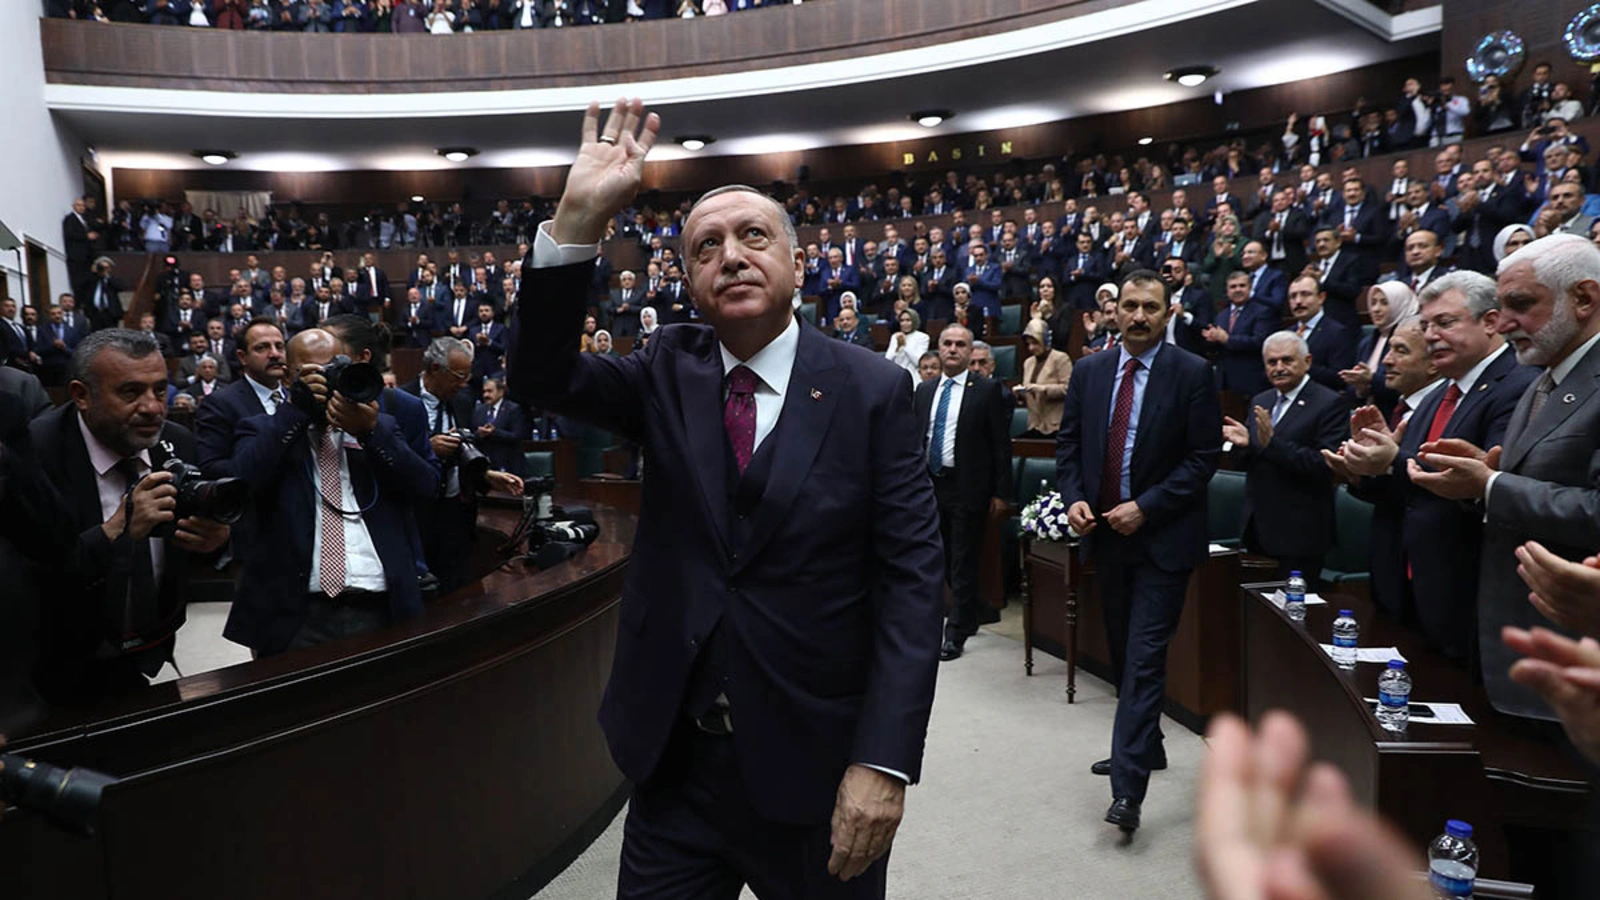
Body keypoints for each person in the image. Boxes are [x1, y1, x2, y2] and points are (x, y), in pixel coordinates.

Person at [506, 100, 943, 898]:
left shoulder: (874, 390)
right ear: (691, 283)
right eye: (707, 246)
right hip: (676, 766)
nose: (731, 257)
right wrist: (576, 219)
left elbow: (913, 583)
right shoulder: (666, 368)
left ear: (798, 264)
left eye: (753, 236)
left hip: (815, 770)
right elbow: (540, 376)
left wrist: (883, 761)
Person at [1056, 268, 1221, 834]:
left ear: (1168, 312)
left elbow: (1203, 460)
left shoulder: (1194, 373)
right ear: (1113, 310)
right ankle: (1146, 745)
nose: (1139, 316)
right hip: (1106, 534)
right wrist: (1075, 499)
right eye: (1129, 305)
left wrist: (1146, 506)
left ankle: (1128, 790)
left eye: (1151, 307)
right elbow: (1070, 446)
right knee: (1126, 650)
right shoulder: (1089, 370)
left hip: (1162, 539)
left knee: (1145, 658)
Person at [1411, 235, 1600, 720]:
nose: (1506, 322)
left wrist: (1491, 485)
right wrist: (1483, 478)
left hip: (1574, 662)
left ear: (1584, 298)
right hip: (1511, 644)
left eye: (1521, 304)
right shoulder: (1544, 377)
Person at [1328, 271, 1536, 663]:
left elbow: (1484, 482)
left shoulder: (1518, 385)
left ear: (1490, 322)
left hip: (1470, 587)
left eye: (1444, 322)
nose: (1431, 335)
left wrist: (1393, 460)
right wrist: (1370, 467)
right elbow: (1409, 485)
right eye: (1425, 325)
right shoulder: (1441, 391)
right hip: (1411, 584)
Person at [27, 329, 231, 705]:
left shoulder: (175, 440)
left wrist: (215, 541)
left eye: (159, 389)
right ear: (81, 395)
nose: (153, 407)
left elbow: (187, 550)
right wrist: (114, 532)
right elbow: (29, 581)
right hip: (51, 666)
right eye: (131, 392)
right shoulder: (35, 454)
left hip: (149, 648)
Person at [223, 328, 438, 656]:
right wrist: (296, 411)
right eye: (315, 373)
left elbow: (426, 488)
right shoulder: (264, 428)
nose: (328, 380)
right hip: (295, 614)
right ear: (289, 376)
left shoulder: (382, 427)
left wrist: (370, 432)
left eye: (336, 367)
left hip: (382, 606)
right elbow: (241, 484)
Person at [913, 325, 1012, 661]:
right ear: (938, 349)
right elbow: (917, 441)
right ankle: (968, 615)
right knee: (938, 557)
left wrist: (1002, 492)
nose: (953, 349)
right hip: (930, 485)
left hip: (967, 486)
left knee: (962, 559)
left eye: (960, 345)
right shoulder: (925, 391)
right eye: (947, 344)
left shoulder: (986, 390)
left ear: (970, 352)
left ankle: (954, 632)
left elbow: (1000, 445)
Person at [1222, 332, 1346, 583]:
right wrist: (1243, 446)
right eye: (1271, 362)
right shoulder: (1261, 399)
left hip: (1300, 534)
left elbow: (1324, 465)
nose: (1279, 368)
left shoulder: (1329, 403)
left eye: (1287, 360)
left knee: (1292, 617)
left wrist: (1271, 445)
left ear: (1307, 361)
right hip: (1258, 528)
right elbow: (1247, 462)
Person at [404, 337, 521, 594]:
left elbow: (466, 450)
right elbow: (391, 455)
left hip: (456, 512)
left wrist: (487, 475)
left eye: (467, 376)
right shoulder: (401, 400)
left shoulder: (464, 401)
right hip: (417, 514)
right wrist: (427, 449)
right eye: (458, 375)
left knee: (456, 589)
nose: (464, 383)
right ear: (435, 368)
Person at [1340, 282, 1418, 417]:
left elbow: (1409, 384)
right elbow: (1352, 391)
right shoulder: (1366, 341)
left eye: (1384, 303)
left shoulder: (1411, 339)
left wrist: (1371, 380)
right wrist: (1360, 388)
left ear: (1400, 304)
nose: (1376, 309)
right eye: (1373, 302)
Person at [1285, 274, 1357, 392]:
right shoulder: (1287, 334)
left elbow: (1340, 377)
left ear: (1321, 298)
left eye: (1305, 294)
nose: (1298, 301)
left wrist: (1303, 366)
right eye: (1293, 296)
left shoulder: (1337, 332)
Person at [1015, 317, 1071, 437]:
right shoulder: (1028, 363)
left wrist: (1044, 389)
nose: (1031, 348)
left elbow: (1069, 389)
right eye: (1028, 344)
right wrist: (1020, 394)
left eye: (1035, 343)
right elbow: (1029, 392)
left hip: (1056, 426)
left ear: (1045, 340)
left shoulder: (1060, 358)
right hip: (1034, 425)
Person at [472, 375, 531, 476]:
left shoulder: (513, 409)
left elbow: (518, 436)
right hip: (487, 465)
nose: (486, 395)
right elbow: (472, 434)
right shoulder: (479, 410)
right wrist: (479, 434)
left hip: (509, 463)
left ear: (501, 392)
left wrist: (494, 432)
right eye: (484, 391)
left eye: (490, 391)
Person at [883, 307, 928, 380]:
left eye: (908, 320)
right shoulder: (895, 336)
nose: (904, 323)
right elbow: (887, 360)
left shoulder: (923, 337)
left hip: (914, 377)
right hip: (896, 376)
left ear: (914, 321)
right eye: (902, 320)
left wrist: (904, 345)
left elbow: (919, 362)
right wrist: (897, 348)